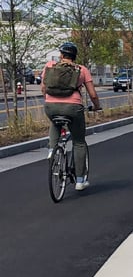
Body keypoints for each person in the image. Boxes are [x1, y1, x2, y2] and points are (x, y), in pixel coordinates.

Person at [42, 42, 101, 190]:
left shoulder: (49, 65)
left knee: (55, 122)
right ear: (74, 57)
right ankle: (80, 180)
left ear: (61, 55)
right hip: (73, 107)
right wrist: (97, 106)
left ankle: (52, 151)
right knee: (79, 142)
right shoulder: (82, 70)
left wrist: (50, 100)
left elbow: (44, 88)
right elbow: (93, 94)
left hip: (50, 106)